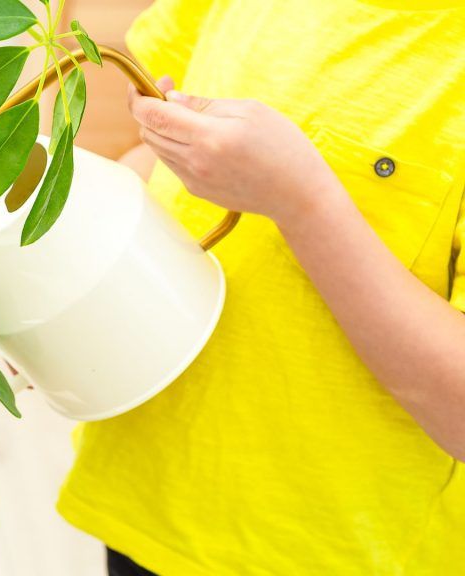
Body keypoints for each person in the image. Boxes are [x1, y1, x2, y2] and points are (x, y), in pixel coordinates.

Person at [54, 1, 465, 574]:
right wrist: (71, 282)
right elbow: (155, 159)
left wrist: (303, 202)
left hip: (328, 552)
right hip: (147, 499)